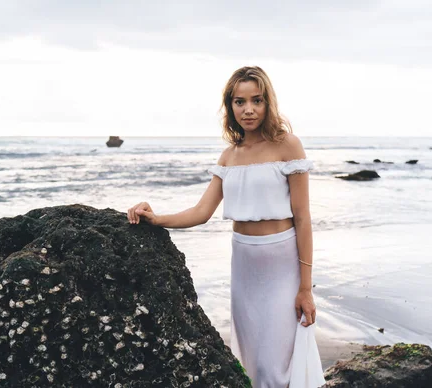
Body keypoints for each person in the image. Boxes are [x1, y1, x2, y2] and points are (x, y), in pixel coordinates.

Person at [127, 66, 325, 388]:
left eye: (257, 101)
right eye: (239, 101)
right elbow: (201, 212)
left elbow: (302, 219)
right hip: (244, 266)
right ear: (230, 106)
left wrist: (305, 288)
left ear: (267, 103)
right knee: (253, 359)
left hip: (281, 265)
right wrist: (156, 218)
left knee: (278, 364)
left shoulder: (288, 146)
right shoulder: (229, 156)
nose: (248, 110)